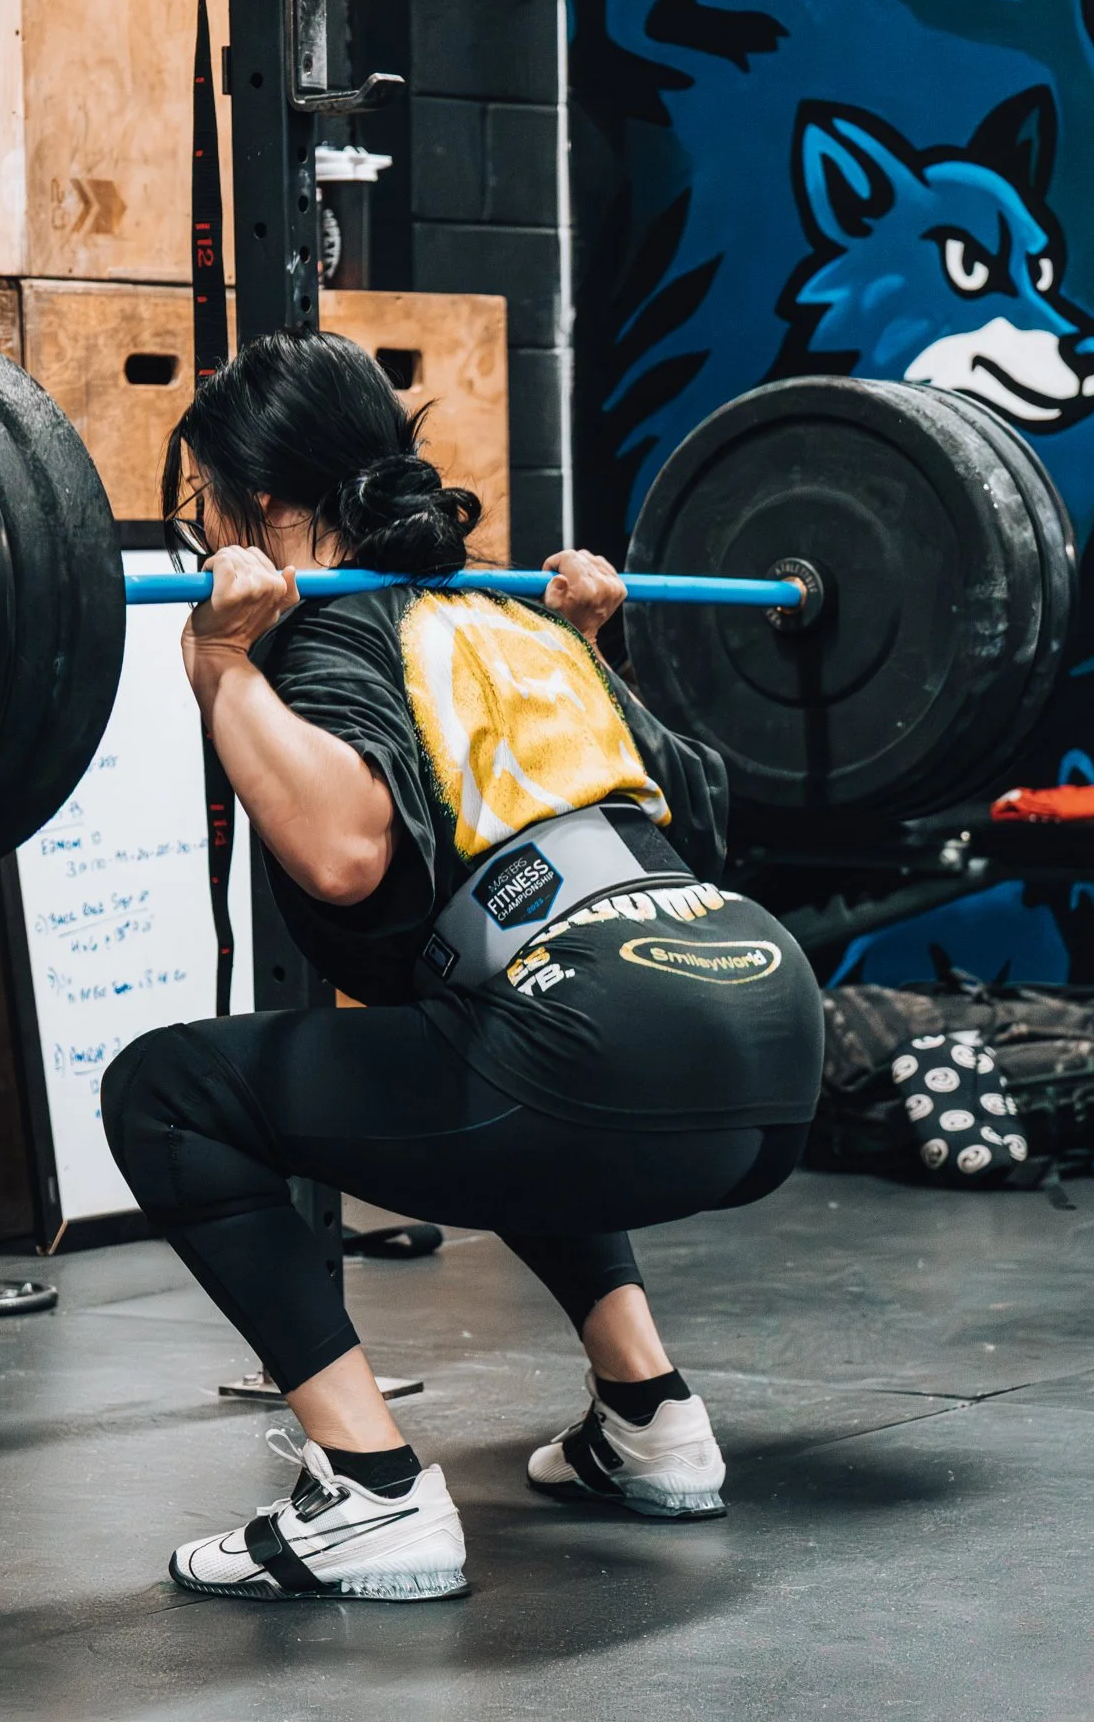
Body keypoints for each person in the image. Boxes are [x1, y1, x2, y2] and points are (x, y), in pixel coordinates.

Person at [101, 328, 824, 1603]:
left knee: (166, 1089)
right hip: (769, 1047)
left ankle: (368, 1492)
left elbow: (342, 853)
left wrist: (218, 663)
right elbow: (694, 825)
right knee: (508, 1030)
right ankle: (651, 1415)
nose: (203, 532)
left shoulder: (329, 633)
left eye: (205, 505)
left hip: (607, 1056)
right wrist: (599, 645)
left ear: (258, 505)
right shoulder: (513, 621)